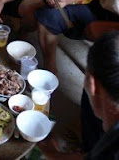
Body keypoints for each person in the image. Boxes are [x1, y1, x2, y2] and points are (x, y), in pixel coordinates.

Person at [38, 31, 119, 159]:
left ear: (93, 84)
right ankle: (88, 147)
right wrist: (54, 154)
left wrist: (52, 155)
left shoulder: (111, 151)